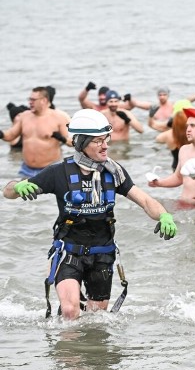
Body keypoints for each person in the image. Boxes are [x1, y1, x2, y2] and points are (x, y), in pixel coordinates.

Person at [2, 109, 176, 319]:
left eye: (106, 139)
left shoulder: (114, 172)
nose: (105, 146)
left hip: (102, 253)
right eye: (98, 141)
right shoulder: (58, 173)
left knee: (96, 319)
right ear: (81, 143)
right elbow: (7, 191)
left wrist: (164, 215)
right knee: (69, 310)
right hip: (69, 251)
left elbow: (146, 200)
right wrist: (18, 186)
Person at [148, 108, 195, 206]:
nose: (188, 129)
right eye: (187, 126)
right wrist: (158, 183)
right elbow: (178, 177)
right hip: (183, 204)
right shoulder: (184, 150)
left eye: (193, 126)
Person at [0, 87, 71, 177]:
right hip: (26, 169)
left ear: (44, 100)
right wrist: (1, 134)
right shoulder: (24, 116)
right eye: (29, 99)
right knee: (12, 190)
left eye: (33, 100)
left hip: (50, 169)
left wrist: (61, 138)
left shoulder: (59, 117)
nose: (30, 102)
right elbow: (11, 135)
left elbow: (72, 142)